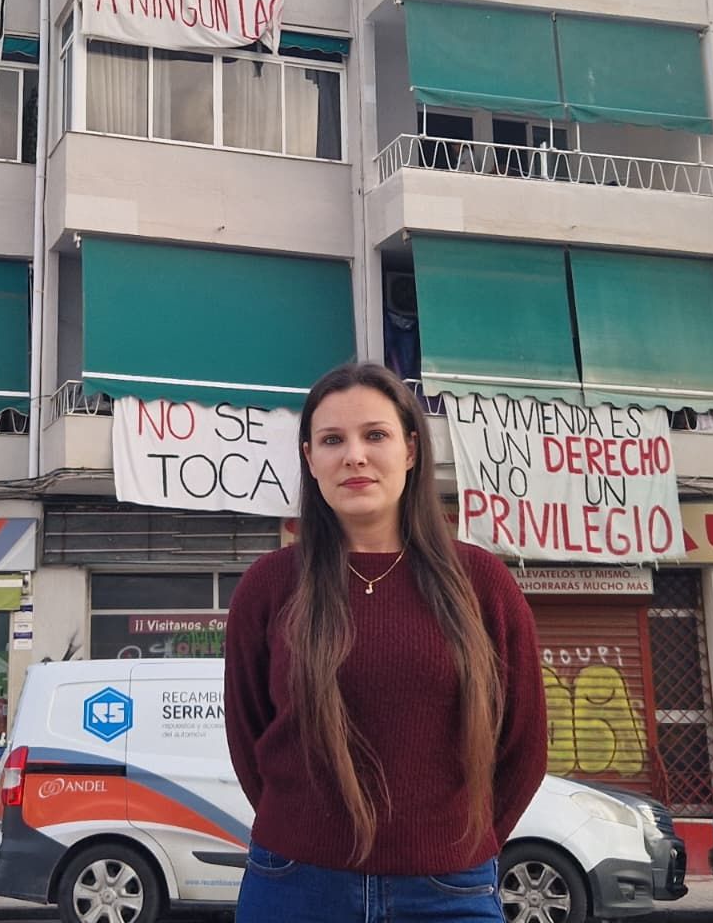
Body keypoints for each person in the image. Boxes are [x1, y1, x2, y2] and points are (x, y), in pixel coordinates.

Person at [225, 363, 548, 922]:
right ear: (310, 459)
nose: (354, 455)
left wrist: (457, 843)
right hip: (294, 885)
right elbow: (247, 735)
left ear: (412, 450)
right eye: (332, 440)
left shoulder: (482, 583)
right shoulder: (270, 585)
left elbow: (524, 744)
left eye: (375, 435)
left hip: (450, 893)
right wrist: (309, 836)